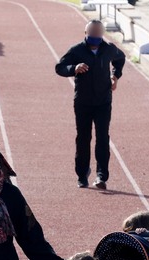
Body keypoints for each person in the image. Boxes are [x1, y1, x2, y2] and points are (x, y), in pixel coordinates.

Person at [56, 19, 126, 190]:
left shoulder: (109, 49)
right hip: (83, 102)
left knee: (102, 138)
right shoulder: (76, 50)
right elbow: (60, 67)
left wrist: (115, 76)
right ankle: (82, 175)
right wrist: (74, 68)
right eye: (91, 36)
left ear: (102, 35)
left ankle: (101, 175)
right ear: (85, 33)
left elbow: (120, 58)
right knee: (83, 138)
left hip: (103, 101)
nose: (95, 39)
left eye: (98, 36)